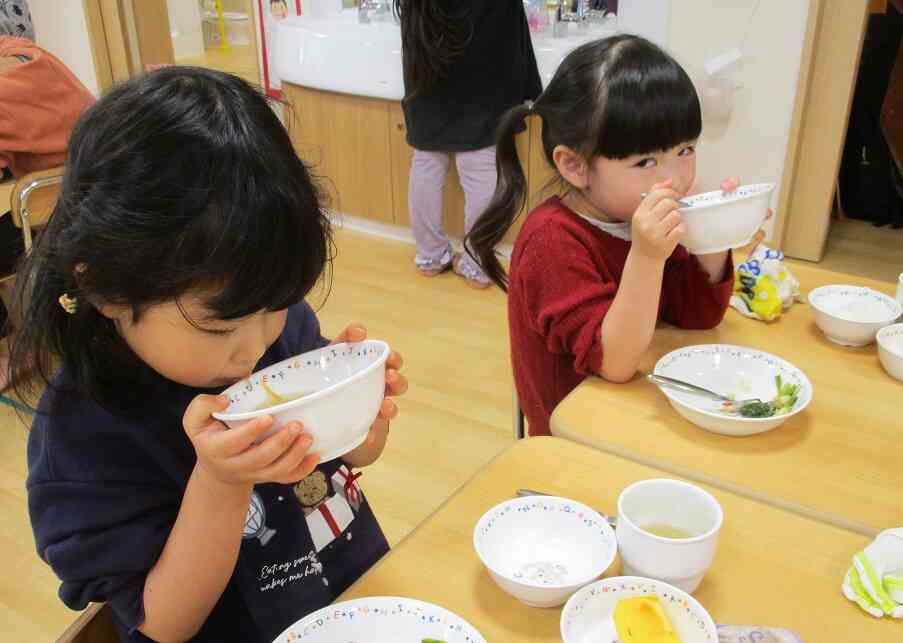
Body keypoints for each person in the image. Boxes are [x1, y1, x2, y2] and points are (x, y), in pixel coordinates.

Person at [13, 66, 407, 643]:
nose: (255, 348)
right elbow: (162, 625)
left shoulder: (280, 326)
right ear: (105, 289)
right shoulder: (82, 437)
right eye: (220, 327)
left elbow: (351, 459)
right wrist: (222, 482)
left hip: (353, 606)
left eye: (276, 303)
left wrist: (362, 413)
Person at [467, 35, 760, 436]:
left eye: (686, 150)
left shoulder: (635, 213)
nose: (675, 178)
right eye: (646, 160)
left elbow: (698, 316)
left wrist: (715, 238)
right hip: (573, 437)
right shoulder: (551, 242)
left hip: (639, 411)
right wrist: (647, 256)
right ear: (575, 166)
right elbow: (615, 362)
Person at [393, 0, 541, 288]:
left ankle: (430, 256)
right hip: (482, 87)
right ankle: (476, 265)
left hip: (428, 80)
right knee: (479, 166)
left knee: (427, 161)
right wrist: (529, 88)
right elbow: (513, 39)